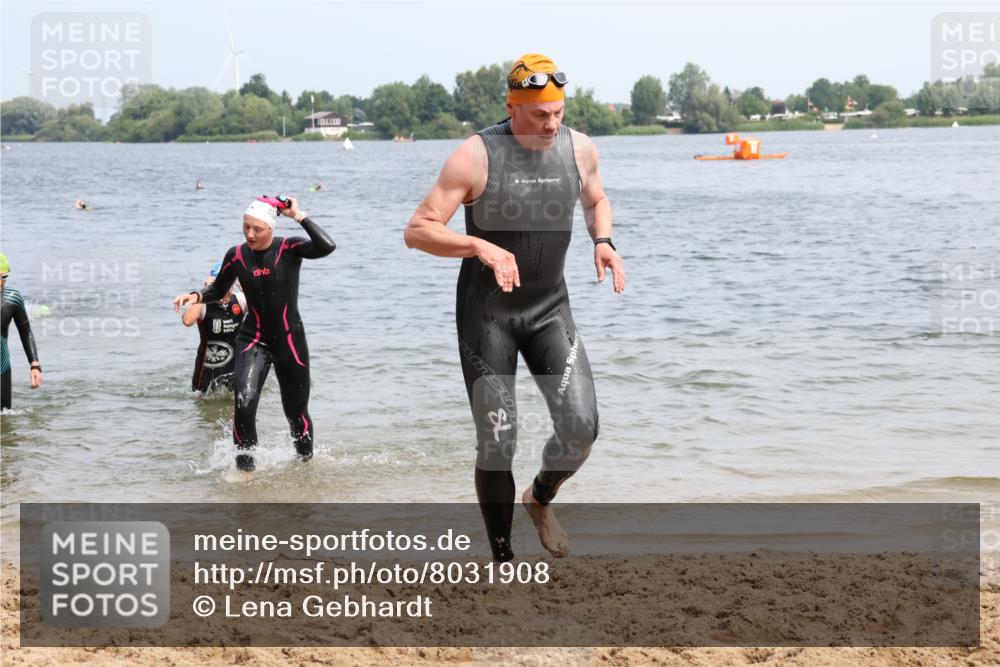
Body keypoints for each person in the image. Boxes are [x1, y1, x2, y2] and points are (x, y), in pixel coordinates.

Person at [404, 54, 626, 561]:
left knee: (581, 429)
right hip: (489, 316)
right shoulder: (475, 156)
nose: (552, 124)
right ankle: (502, 558)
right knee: (497, 441)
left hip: (550, 309)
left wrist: (604, 239)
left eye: (559, 113)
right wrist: (478, 246)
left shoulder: (579, 148)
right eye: (540, 115)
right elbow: (418, 230)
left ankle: (540, 498)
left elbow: (595, 199)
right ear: (512, 106)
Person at [173, 197, 335, 471]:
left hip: (289, 340)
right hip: (253, 339)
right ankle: (245, 471)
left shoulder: (288, 247)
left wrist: (298, 215)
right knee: (244, 405)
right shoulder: (236, 255)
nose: (249, 234)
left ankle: (306, 467)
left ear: (270, 228)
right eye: (245, 227)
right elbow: (217, 290)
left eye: (256, 229)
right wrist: (196, 295)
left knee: (295, 413)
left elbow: (326, 246)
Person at [181, 262, 247, 394]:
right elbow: (187, 321)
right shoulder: (203, 305)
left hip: (235, 365)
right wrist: (205, 294)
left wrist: (246, 286)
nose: (222, 290)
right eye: (217, 285)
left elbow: (264, 308)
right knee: (203, 407)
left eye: (225, 284)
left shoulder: (240, 301)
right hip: (207, 368)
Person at [1, 253, 43, 410]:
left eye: (4, 276)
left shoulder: (13, 299)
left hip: (1, 368)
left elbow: (26, 332)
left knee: (4, 420)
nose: (0, 282)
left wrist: (35, 365)